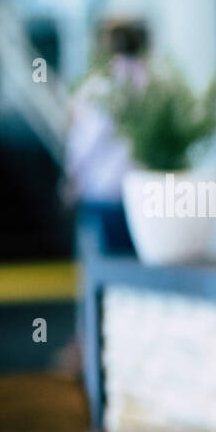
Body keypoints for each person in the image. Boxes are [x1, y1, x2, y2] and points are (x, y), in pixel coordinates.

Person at [64, 19, 148, 256]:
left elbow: (84, 144)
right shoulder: (151, 81)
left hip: (103, 191)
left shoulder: (98, 87)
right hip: (143, 189)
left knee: (104, 268)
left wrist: (70, 181)